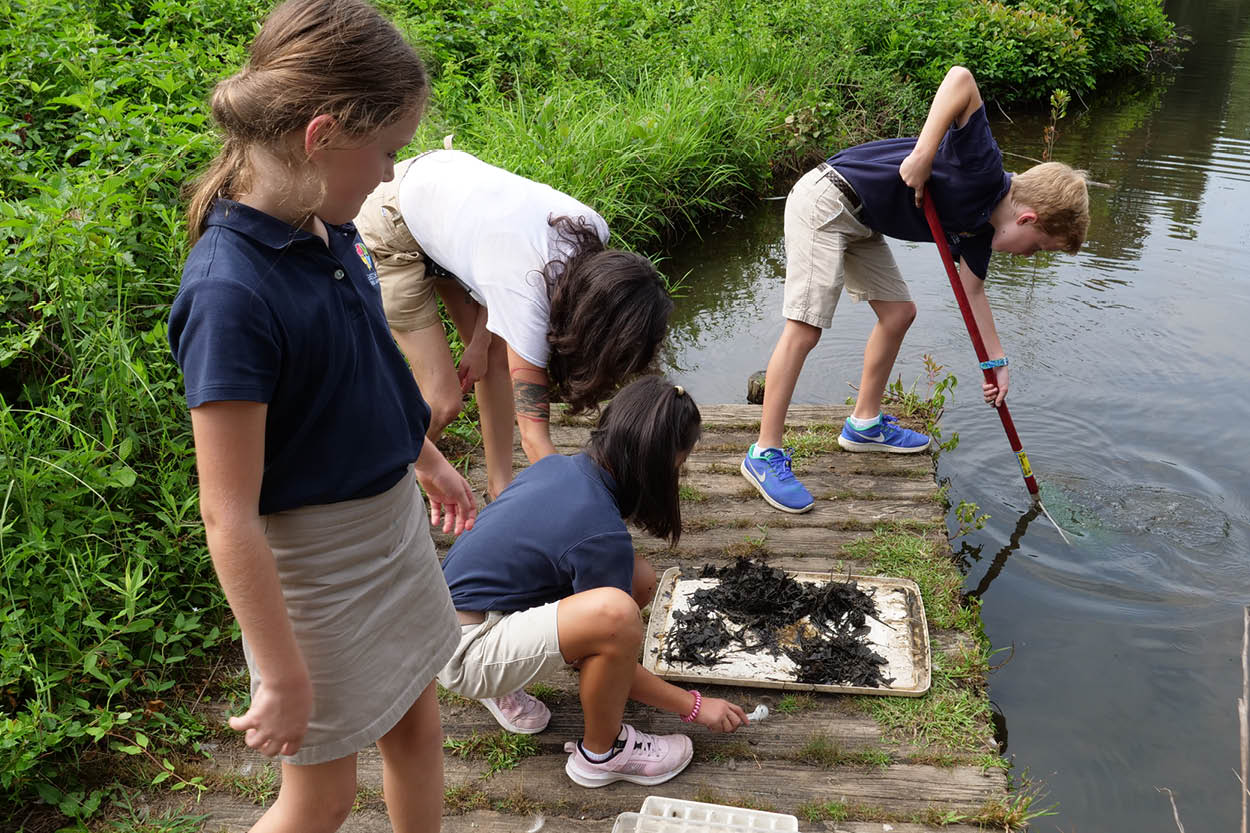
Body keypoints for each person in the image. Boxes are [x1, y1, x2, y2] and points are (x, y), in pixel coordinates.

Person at [167, 2, 476, 830]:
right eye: (385, 151)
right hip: (320, 571)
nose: (388, 174)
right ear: (321, 135)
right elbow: (226, 512)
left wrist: (422, 452)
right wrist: (280, 672)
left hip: (391, 532)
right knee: (322, 794)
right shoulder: (231, 293)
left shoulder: (323, 223)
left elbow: (361, 368)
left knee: (417, 726)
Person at [742, 65, 1090, 514]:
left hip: (862, 219)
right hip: (827, 199)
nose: (1031, 257)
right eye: (1039, 248)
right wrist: (924, 153)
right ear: (1027, 219)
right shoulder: (984, 170)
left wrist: (997, 364)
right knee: (806, 327)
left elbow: (974, 293)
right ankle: (764, 453)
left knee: (900, 312)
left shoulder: (982, 233)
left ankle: (863, 425)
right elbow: (960, 80)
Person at [437, 376, 748, 788]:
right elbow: (611, 626)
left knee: (638, 580)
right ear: (660, 463)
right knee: (617, 616)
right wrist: (693, 705)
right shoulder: (601, 535)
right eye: (681, 464)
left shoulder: (557, 466)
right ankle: (603, 754)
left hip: (445, 618)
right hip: (463, 654)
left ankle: (514, 681)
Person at [354, 148, 673, 501]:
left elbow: (502, 272)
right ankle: (372, 482)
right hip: (392, 222)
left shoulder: (592, 231)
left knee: (491, 358)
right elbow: (534, 439)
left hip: (452, 204)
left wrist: (478, 342)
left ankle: (498, 488)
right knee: (443, 401)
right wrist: (586, 510)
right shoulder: (526, 292)